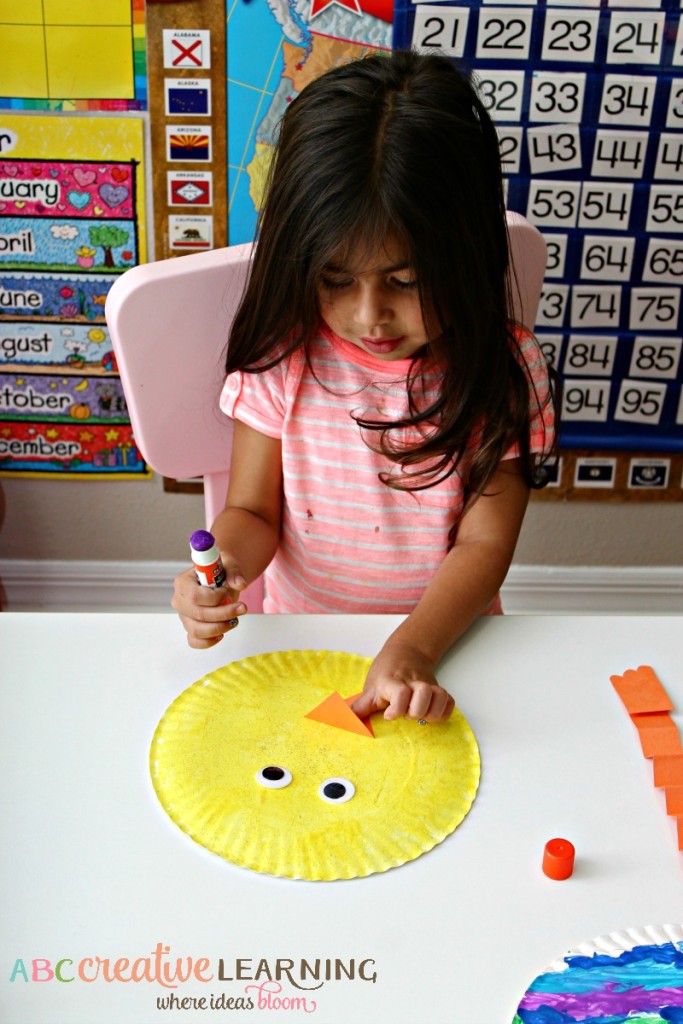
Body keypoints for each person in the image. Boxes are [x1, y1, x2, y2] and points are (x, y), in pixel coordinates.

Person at [172, 49, 557, 725]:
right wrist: (225, 571)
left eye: (404, 282)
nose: (367, 314)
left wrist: (412, 645)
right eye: (335, 279)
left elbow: (485, 544)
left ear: (464, 252)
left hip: (447, 644)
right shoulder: (283, 353)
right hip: (299, 647)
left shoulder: (502, 367)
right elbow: (254, 514)